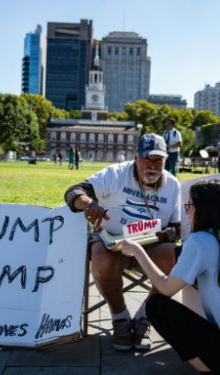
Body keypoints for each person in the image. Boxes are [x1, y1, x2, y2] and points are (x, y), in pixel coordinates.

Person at [118, 179, 220, 374]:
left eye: (189, 206)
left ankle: (209, 370)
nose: (187, 213)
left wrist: (138, 251)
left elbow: (166, 288)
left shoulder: (200, 240)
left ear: (204, 209)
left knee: (156, 306)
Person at [64, 133, 181, 352]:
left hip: (149, 249)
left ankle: (144, 318)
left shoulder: (173, 185)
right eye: (147, 160)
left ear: (166, 160)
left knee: (177, 256)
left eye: (158, 160)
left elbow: (177, 227)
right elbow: (73, 192)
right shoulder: (115, 174)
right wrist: (88, 203)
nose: (152, 166)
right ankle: (120, 319)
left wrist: (164, 235)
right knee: (100, 255)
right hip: (111, 244)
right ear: (136, 158)